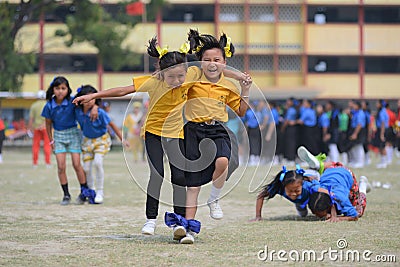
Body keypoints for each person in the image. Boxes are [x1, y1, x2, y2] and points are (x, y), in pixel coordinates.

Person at [176, 29, 251, 244]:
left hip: (217, 128)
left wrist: (244, 88)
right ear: (200, 62)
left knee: (223, 161)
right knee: (193, 184)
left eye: (217, 59)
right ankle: (188, 229)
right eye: (206, 59)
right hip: (192, 130)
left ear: (224, 61)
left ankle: (213, 200)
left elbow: (241, 111)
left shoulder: (228, 85)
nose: (211, 63)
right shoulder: (193, 76)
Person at [41, 76, 96, 205]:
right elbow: (48, 125)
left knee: (77, 164)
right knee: (61, 166)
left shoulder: (73, 102)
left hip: (73, 134)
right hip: (58, 137)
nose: (60, 91)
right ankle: (66, 195)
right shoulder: (49, 106)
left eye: (63, 88)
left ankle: (84, 192)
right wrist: (51, 141)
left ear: (68, 89)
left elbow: (88, 103)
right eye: (57, 88)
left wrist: (95, 107)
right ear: (53, 89)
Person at [75, 85, 127, 204]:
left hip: (101, 140)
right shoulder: (77, 111)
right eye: (86, 99)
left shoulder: (100, 112)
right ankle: (91, 191)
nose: (89, 101)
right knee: (86, 168)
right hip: (87, 141)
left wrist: (122, 139)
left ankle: (100, 191)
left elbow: (112, 124)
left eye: (92, 98)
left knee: (98, 163)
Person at [297, 146, 371, 222]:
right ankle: (319, 165)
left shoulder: (341, 198)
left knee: (358, 211)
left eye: (321, 215)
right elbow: (310, 182)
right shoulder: (315, 189)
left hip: (346, 174)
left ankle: (363, 186)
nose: (317, 217)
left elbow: (354, 216)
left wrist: (338, 218)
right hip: (330, 169)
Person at [251, 166, 320, 221]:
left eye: (297, 191)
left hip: (313, 177)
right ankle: (299, 204)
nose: (293, 194)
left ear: (302, 185)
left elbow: (328, 193)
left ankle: (316, 167)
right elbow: (261, 196)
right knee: (303, 214)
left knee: (316, 208)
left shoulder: (309, 185)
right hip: (300, 198)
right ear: (284, 186)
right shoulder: (279, 187)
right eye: (290, 191)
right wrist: (258, 216)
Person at [28, 90, 52, 168]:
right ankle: (47, 163)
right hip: (46, 128)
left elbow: (31, 119)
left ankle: (35, 163)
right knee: (47, 145)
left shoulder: (34, 105)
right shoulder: (48, 104)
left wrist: (30, 129)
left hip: (36, 128)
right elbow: (50, 117)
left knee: (35, 146)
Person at [374, 99, 389, 168]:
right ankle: (382, 161)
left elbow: (383, 123)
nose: (376, 104)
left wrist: (382, 134)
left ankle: (384, 162)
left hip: (382, 130)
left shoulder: (382, 111)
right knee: (380, 146)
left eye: (377, 103)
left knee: (382, 146)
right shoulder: (380, 111)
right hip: (379, 129)